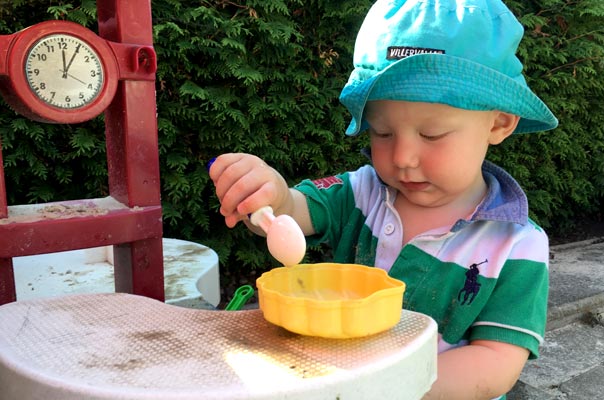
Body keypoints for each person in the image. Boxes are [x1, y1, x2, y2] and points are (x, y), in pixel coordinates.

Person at [209, 0, 558, 398]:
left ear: (499, 122)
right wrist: (268, 195)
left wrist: (381, 387)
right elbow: (292, 214)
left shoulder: (516, 244)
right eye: (382, 133)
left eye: (431, 135)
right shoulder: (361, 194)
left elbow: (494, 364)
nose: (402, 158)